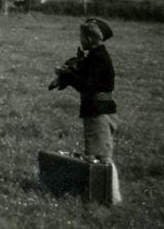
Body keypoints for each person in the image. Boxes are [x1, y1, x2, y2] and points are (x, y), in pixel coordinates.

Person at [52, 19, 122, 204]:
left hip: (98, 111)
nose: (80, 39)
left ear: (91, 38)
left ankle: (108, 198)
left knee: (99, 157)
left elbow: (87, 85)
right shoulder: (96, 56)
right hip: (100, 110)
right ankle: (107, 196)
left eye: (82, 36)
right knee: (100, 153)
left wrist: (68, 75)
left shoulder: (98, 58)